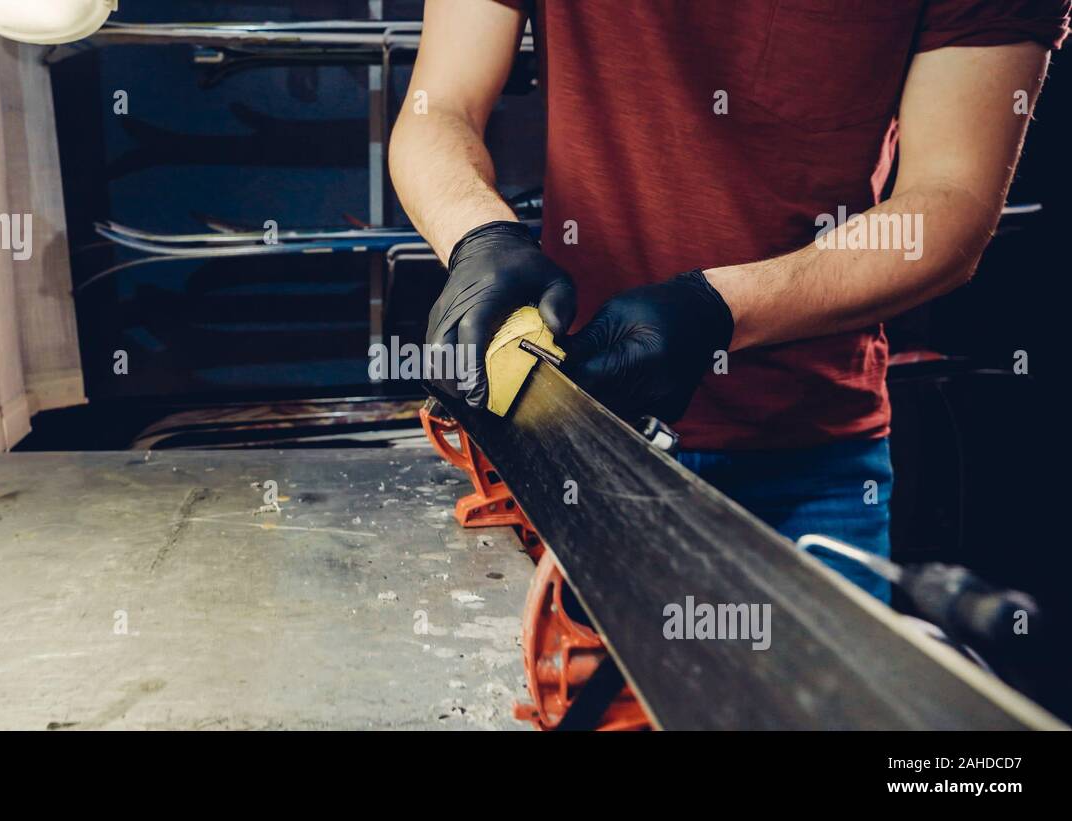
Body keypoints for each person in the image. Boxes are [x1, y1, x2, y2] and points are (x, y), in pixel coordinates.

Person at [389, 0, 1069, 600]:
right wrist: (479, 236)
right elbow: (437, 108)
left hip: (808, 460)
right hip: (574, 438)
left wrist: (719, 308)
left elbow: (951, 204)